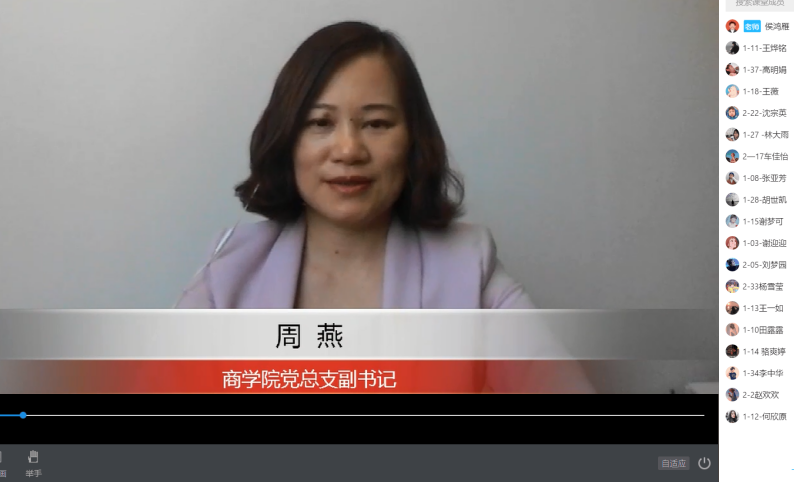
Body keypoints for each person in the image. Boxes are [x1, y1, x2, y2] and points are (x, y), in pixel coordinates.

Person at [174, 21, 595, 393]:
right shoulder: (229, 269)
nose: (348, 150)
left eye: (376, 123)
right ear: (288, 140)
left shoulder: (468, 265)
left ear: (412, 140)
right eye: (320, 123)